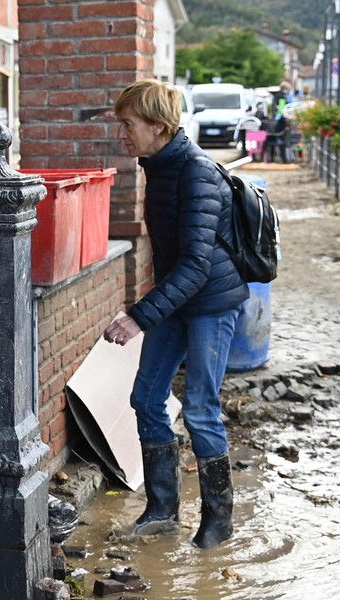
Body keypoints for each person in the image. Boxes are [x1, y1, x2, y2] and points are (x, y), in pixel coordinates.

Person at [103, 80, 248, 549]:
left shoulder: (196, 172)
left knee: (201, 410)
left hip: (211, 303)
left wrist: (139, 316)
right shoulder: (159, 167)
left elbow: (196, 265)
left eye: (128, 124)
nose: (122, 134)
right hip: (177, 297)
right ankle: (162, 511)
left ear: (159, 127)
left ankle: (218, 524)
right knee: (147, 398)